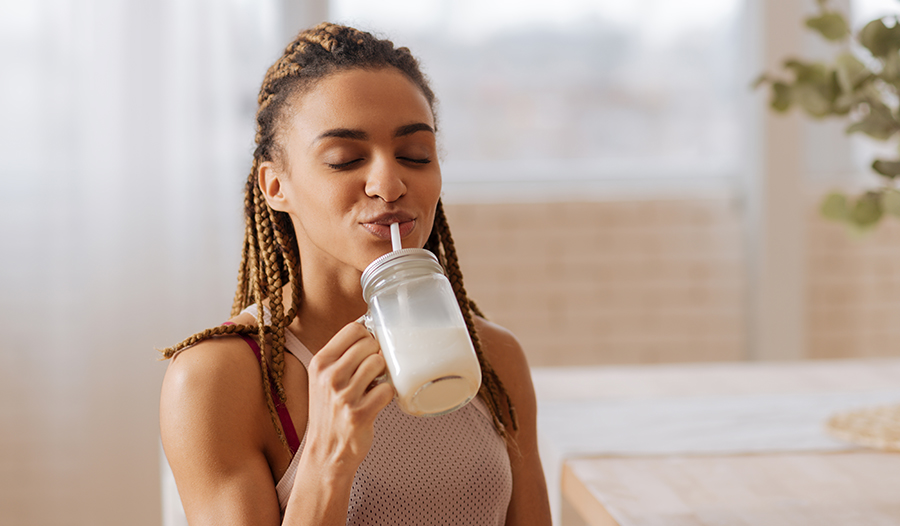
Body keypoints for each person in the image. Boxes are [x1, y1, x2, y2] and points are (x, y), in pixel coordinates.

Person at [159, 22, 552, 526]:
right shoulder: (218, 382)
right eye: (345, 160)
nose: (390, 184)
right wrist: (328, 460)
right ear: (276, 186)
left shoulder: (494, 360)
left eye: (416, 155)